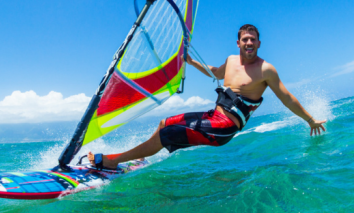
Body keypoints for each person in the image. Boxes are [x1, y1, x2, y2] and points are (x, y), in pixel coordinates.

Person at [88, 24, 326, 171]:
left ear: (259, 43)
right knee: (164, 124)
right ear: (239, 43)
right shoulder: (232, 61)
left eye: (253, 39)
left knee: (165, 135)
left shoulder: (266, 70)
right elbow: (215, 73)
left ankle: (114, 160)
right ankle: (143, 152)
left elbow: (287, 98)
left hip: (224, 128)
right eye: (245, 39)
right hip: (213, 116)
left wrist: (310, 119)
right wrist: (190, 62)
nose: (249, 43)